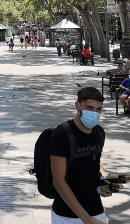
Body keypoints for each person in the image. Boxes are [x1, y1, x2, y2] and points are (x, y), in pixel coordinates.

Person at [51, 87, 110, 224]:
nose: (94, 113)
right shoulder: (62, 134)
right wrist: (87, 219)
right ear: (78, 106)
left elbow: (95, 162)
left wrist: (104, 181)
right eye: (89, 108)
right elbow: (58, 181)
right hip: (66, 215)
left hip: (96, 210)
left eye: (98, 109)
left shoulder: (99, 132)